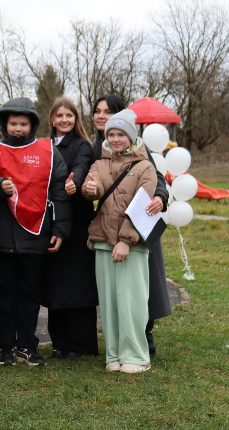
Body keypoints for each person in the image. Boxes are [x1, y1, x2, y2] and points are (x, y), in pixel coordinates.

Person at [0, 98, 70, 367]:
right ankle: (4, 348)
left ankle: (28, 346)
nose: (18, 128)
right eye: (13, 123)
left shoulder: (48, 151)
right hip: (1, 239)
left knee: (31, 293)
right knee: (4, 294)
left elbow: (60, 193)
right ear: (4, 124)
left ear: (32, 125)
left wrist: (60, 228)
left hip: (35, 236)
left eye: (23, 124)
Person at [91, 94, 171, 356]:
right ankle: (117, 346)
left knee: (140, 286)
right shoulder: (94, 148)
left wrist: (160, 196)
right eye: (97, 111)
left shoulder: (136, 147)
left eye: (108, 111)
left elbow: (154, 177)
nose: (101, 115)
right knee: (113, 291)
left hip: (137, 223)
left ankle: (143, 335)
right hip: (106, 229)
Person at [82, 109, 157, 374]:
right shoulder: (99, 164)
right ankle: (113, 355)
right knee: (110, 303)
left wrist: (125, 240)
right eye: (111, 134)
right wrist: (89, 189)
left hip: (132, 244)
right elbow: (94, 189)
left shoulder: (145, 166)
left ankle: (136, 356)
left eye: (121, 134)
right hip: (103, 241)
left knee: (132, 302)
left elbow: (142, 206)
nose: (115, 139)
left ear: (131, 137)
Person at [43, 98, 98, 359]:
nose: (64, 120)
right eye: (60, 115)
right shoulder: (44, 146)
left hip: (77, 225)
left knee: (79, 285)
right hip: (51, 224)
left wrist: (74, 182)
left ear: (76, 119)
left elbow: (81, 166)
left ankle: (81, 344)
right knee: (55, 285)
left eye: (69, 115)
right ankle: (59, 343)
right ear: (52, 119)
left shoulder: (82, 145)